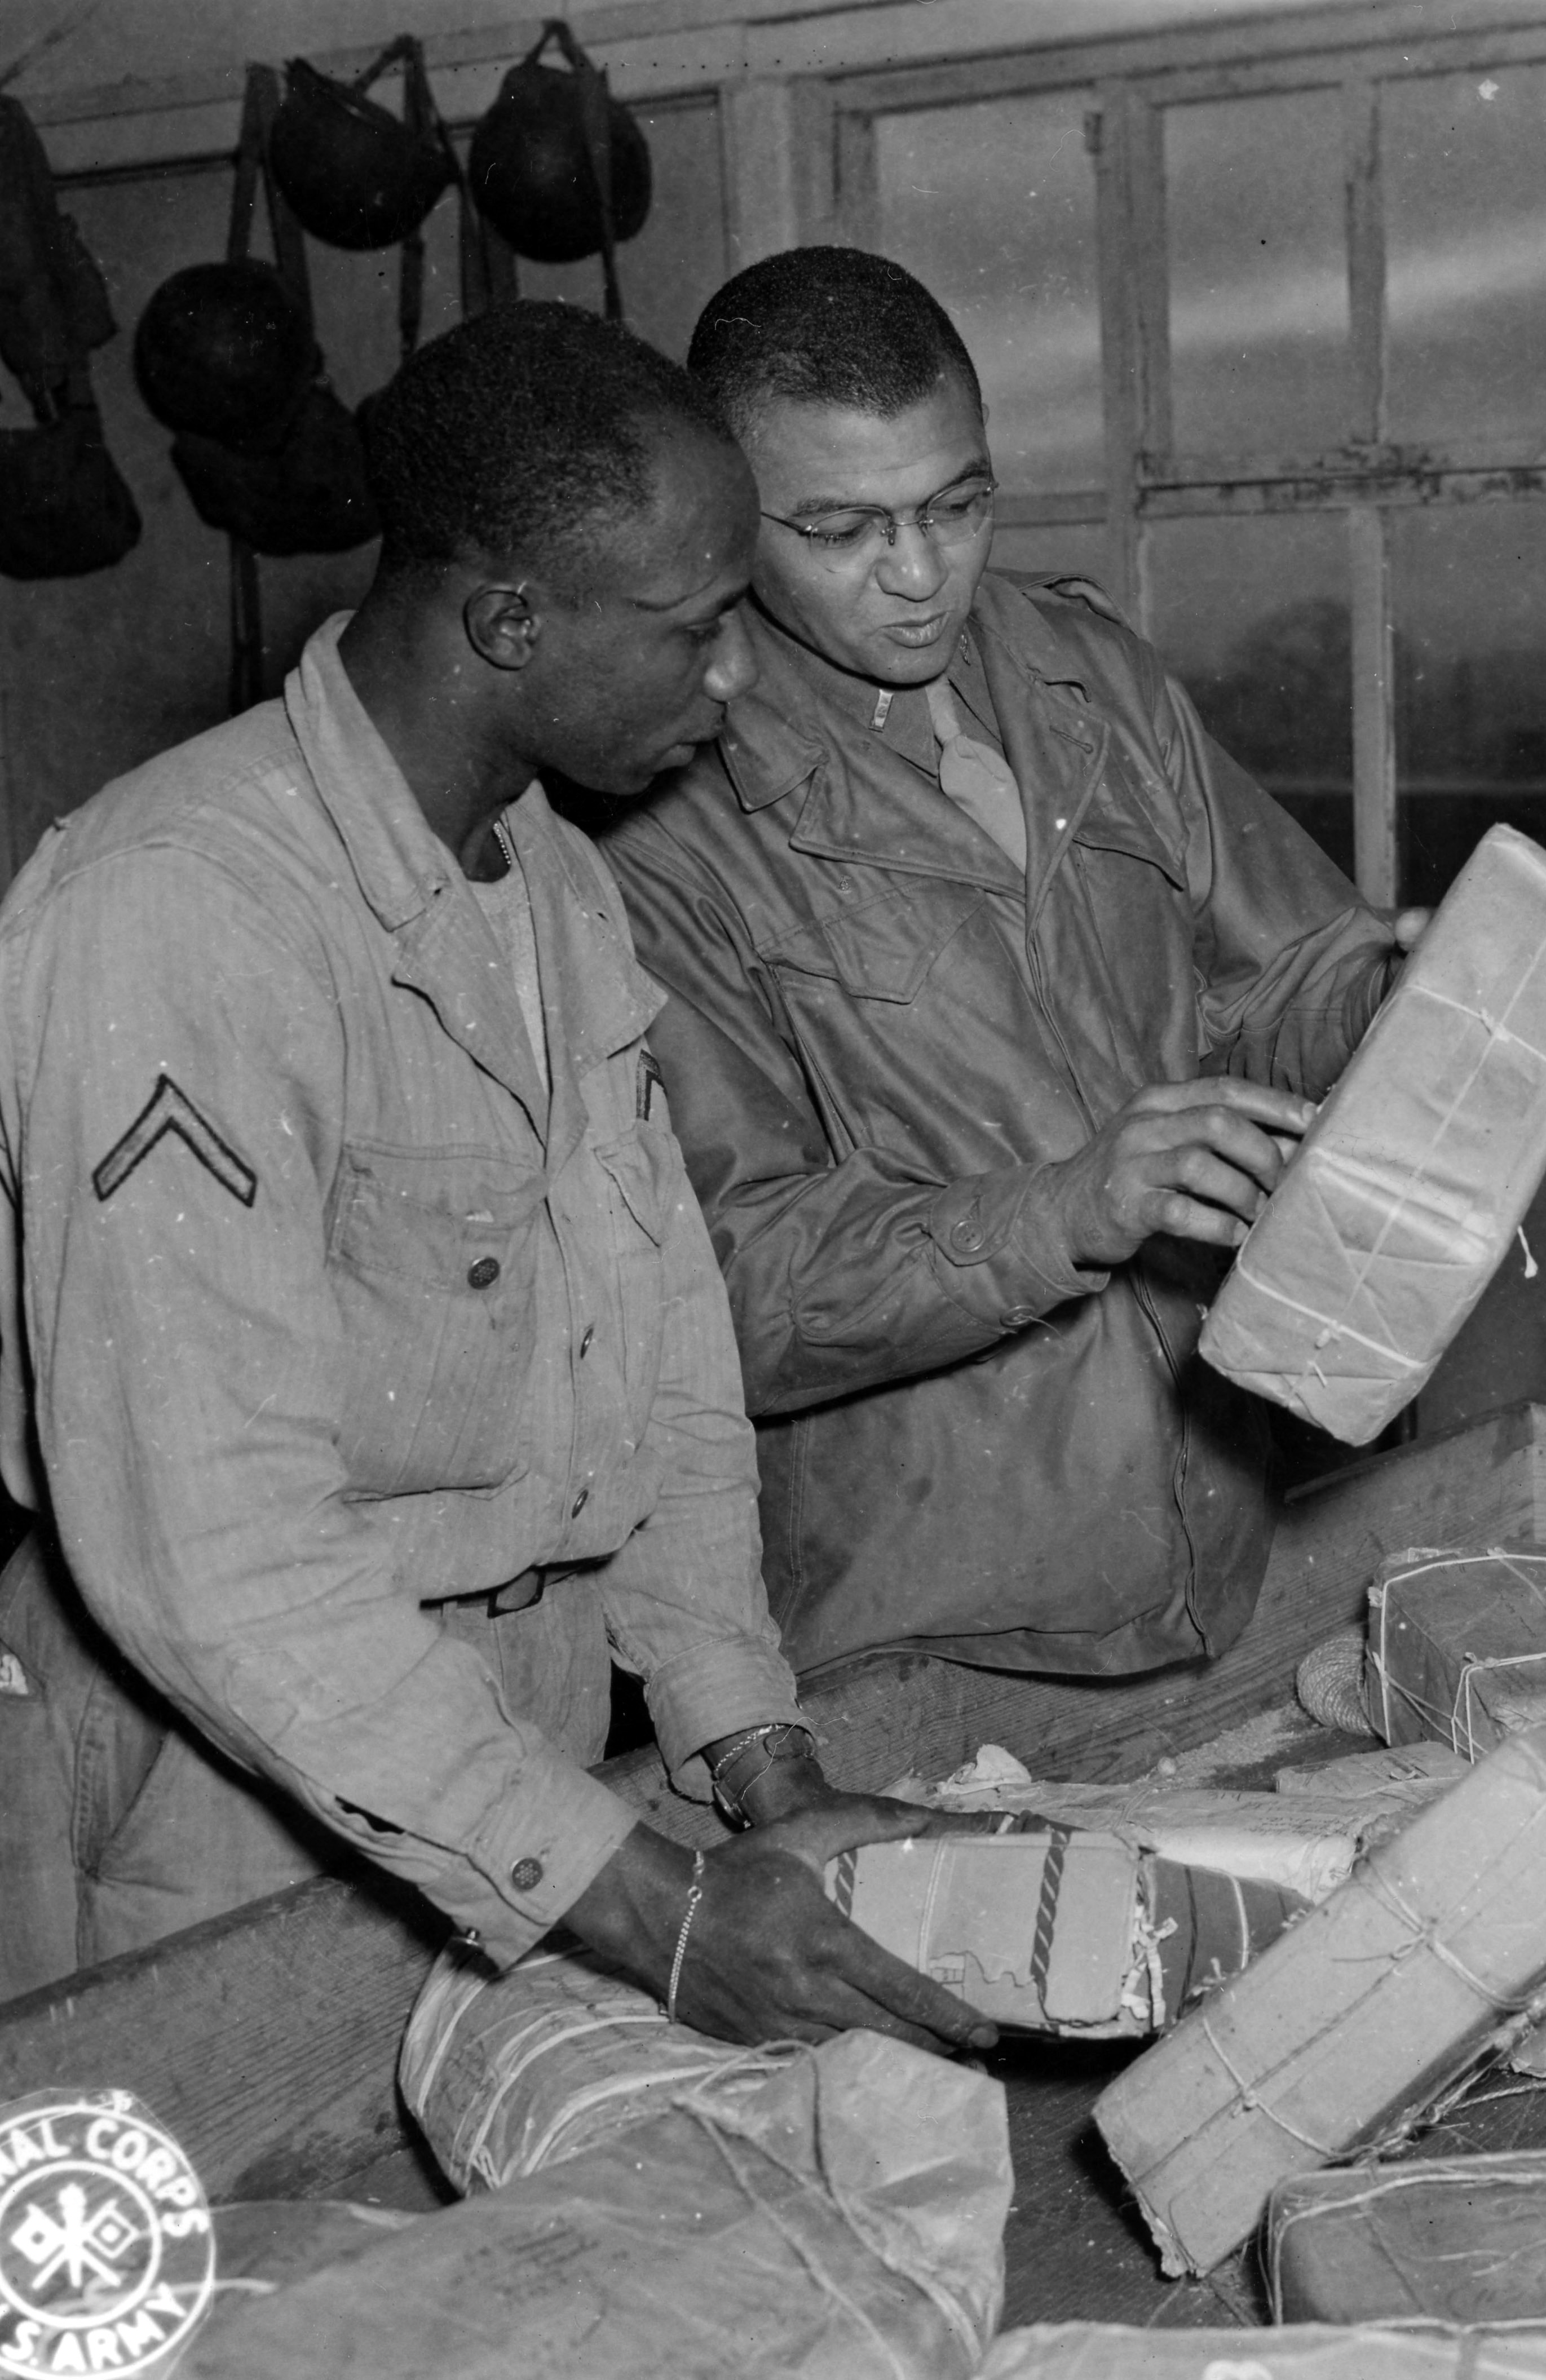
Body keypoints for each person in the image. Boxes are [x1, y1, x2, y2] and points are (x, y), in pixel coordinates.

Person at [0, 300, 993, 2056]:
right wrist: (650, 1905)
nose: (737, 675)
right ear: (509, 621)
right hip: (228, 1763)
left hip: (518, 1729)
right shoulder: (179, 909)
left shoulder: (545, 873)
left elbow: (663, 1365)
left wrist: (765, 1774)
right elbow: (217, 1555)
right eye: (696, 632)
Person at [603, 248, 1415, 1678]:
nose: (920, 578)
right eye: (843, 528)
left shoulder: (1086, 672)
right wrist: (1068, 1210)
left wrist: (1402, 1002)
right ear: (727, 517)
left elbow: (1278, 977)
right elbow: (731, 1284)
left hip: (1232, 1523)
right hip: (938, 1611)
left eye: (956, 505)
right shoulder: (660, 810)